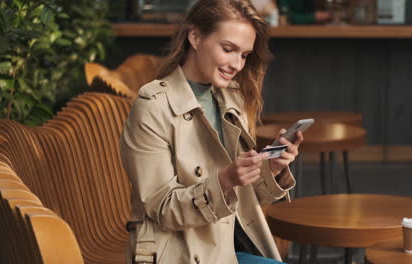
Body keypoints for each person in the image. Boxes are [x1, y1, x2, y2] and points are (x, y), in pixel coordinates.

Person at [120, 0, 303, 263]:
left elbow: (242, 199)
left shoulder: (230, 97)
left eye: (244, 55)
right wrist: (225, 179)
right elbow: (163, 209)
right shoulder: (152, 107)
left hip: (228, 246)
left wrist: (270, 168)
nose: (237, 64)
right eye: (228, 49)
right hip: (180, 251)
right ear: (195, 36)